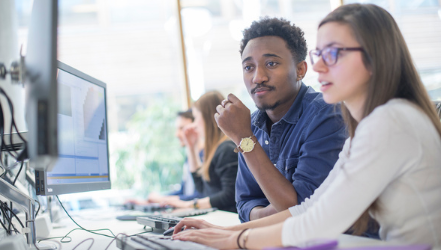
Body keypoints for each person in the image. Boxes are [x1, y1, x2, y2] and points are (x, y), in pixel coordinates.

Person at [172, 4, 441, 249]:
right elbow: (307, 210)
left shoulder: (391, 123)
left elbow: (319, 223)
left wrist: (236, 240)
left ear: (375, 58)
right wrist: (225, 232)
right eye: (319, 53)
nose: (319, 65)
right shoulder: (368, 126)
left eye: (334, 53)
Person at [224, 17, 346, 222]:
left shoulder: (327, 115)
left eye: (271, 63)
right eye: (248, 67)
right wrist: (271, 213)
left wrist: (244, 138)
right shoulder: (251, 125)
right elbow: (244, 204)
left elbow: (302, 209)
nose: (258, 77)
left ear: (300, 70)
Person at [164, 91, 238, 212]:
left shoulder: (226, 149)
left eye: (196, 117)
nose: (194, 124)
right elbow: (202, 188)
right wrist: (191, 147)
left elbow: (230, 195)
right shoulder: (214, 149)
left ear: (207, 118)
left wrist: (190, 205)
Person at [147, 109, 203, 204]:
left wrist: (163, 200)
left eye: (182, 128)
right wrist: (157, 199)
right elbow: (184, 192)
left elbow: (201, 195)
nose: (177, 134)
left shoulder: (205, 157)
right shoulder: (188, 158)